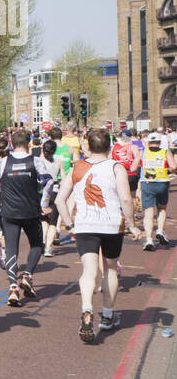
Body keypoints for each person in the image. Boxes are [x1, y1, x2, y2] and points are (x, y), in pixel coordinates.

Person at [57, 129, 141, 342]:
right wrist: (132, 224)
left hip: (85, 225)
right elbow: (125, 199)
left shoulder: (77, 167)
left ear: (88, 146)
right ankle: (107, 315)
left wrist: (69, 224)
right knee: (110, 269)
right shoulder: (116, 167)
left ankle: (86, 309)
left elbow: (59, 200)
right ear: (109, 147)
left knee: (89, 271)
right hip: (112, 225)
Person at [0, 128, 48, 306]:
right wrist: (44, 201)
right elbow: (48, 181)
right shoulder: (35, 161)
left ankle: (13, 288)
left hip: (9, 211)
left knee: (11, 248)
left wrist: (2, 192)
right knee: (37, 244)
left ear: (11, 145)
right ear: (28, 144)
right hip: (30, 211)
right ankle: (27, 275)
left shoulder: (4, 162)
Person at [133, 132, 176, 250]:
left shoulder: (143, 152)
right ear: (160, 142)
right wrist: (167, 170)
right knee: (162, 208)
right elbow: (173, 166)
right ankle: (160, 230)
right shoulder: (165, 152)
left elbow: (133, 167)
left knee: (148, 212)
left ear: (148, 142)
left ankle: (148, 239)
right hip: (162, 183)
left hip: (147, 184)